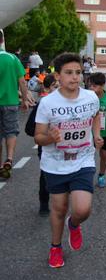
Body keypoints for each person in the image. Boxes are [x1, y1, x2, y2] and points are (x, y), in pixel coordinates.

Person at [34, 52, 103, 268]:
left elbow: (96, 116)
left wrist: (97, 134)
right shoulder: (48, 103)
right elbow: (38, 136)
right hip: (55, 163)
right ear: (58, 76)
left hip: (83, 159)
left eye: (78, 73)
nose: (74, 77)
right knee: (59, 207)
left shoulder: (91, 97)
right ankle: (55, 247)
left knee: (82, 209)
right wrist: (50, 138)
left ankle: (74, 225)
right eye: (69, 73)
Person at [0, 29, 33, 180]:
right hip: (10, 102)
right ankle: (10, 158)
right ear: (2, 41)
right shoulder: (12, 58)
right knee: (11, 131)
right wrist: (25, 99)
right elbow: (22, 81)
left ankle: (0, 165)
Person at [24, 74, 59, 215]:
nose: (58, 90)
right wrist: (45, 134)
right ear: (46, 88)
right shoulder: (42, 104)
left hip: (67, 148)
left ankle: (63, 200)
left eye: (60, 86)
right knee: (46, 175)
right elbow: (29, 129)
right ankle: (44, 203)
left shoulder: (72, 104)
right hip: (46, 149)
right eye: (54, 87)